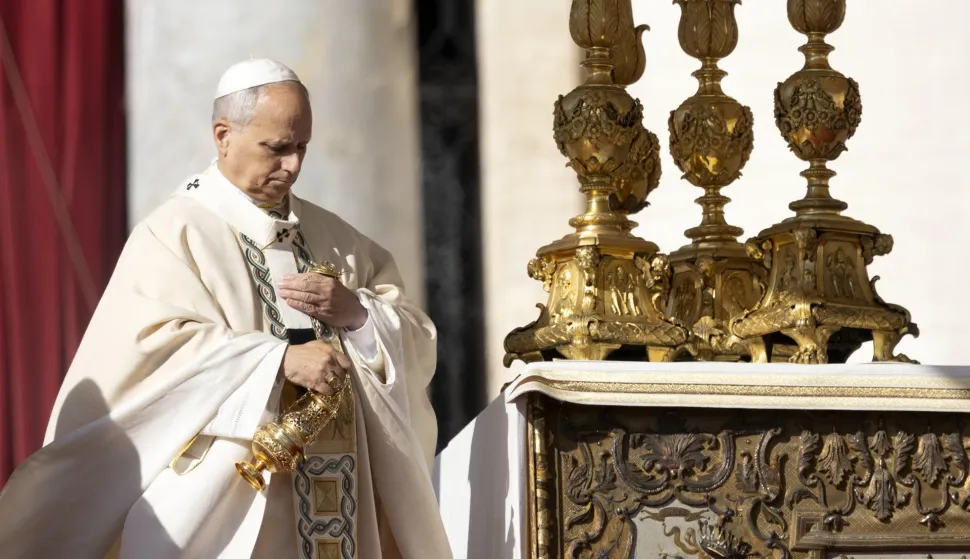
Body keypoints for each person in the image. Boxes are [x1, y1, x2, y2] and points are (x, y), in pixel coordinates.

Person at [0, 58, 452, 559]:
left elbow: (416, 337)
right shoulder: (175, 233)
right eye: (277, 148)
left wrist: (359, 316)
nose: (293, 166)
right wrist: (276, 360)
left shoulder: (336, 238)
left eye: (302, 147)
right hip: (229, 510)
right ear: (223, 136)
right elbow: (150, 355)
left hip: (341, 502)